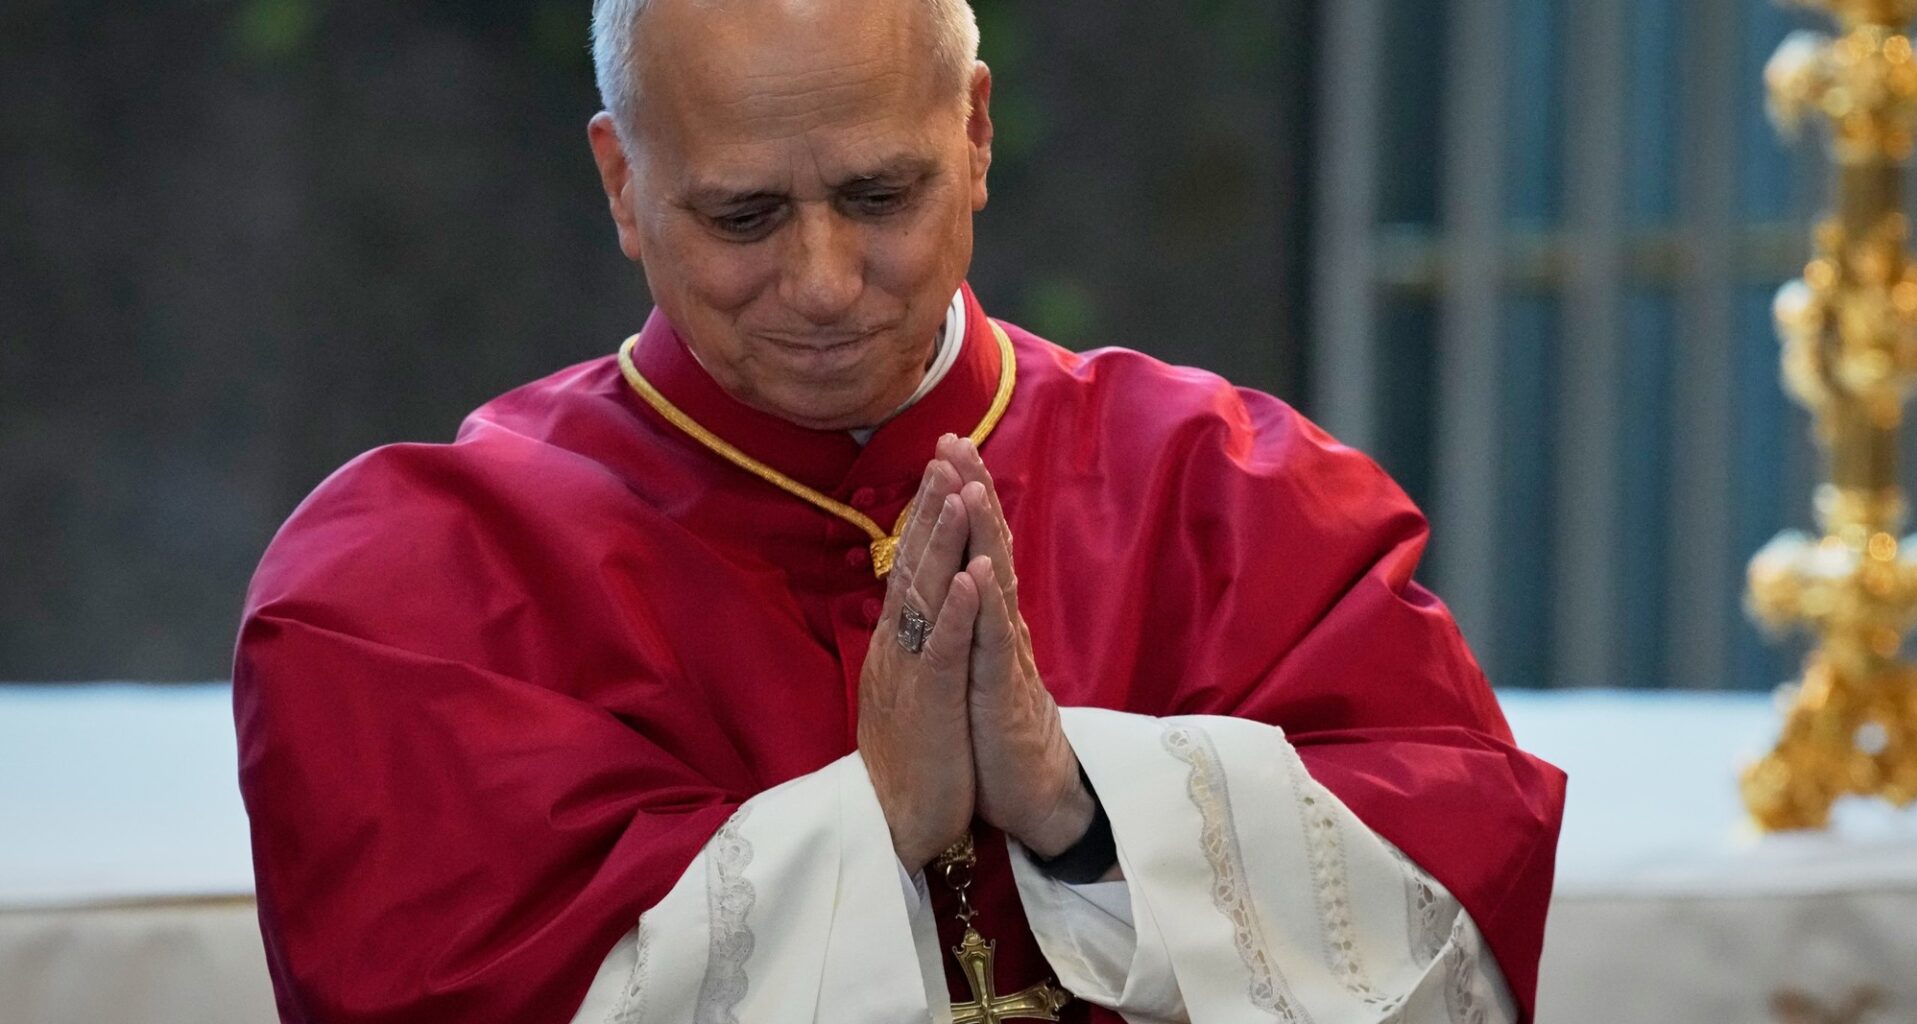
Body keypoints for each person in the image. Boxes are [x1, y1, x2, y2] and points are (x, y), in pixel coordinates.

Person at [232, 0, 1565, 1021]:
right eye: (744, 216)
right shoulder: (414, 593)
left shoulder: (1234, 499)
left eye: (879, 196)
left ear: (974, 135)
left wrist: (1080, 802)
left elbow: (1452, 934)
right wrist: (876, 818)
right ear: (624, 182)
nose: (822, 283)